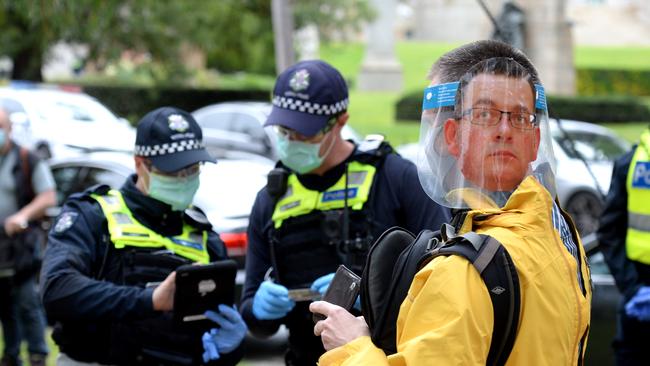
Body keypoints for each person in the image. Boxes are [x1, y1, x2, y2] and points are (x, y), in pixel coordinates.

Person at [310, 40, 592, 365]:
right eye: (486, 115)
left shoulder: (462, 271)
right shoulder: (558, 232)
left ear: (451, 136)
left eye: (516, 117)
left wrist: (352, 346)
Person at [239, 59, 450, 365]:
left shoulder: (395, 178)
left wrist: (374, 297)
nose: (292, 141)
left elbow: (443, 281)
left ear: (340, 121)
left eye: (305, 133)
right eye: (285, 131)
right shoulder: (270, 198)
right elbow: (254, 317)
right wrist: (258, 310)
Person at [40, 107, 247, 366]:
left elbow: (213, 341)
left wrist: (233, 347)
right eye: (173, 170)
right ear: (140, 163)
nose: (184, 179)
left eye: (192, 169)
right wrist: (150, 300)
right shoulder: (93, 215)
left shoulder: (204, 236)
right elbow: (58, 290)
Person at [0, 107, 56, 366]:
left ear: (9, 128)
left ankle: (37, 354)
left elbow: (48, 196)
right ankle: (11, 355)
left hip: (21, 244)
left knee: (26, 302)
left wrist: (22, 215)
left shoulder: (26, 158)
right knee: (5, 306)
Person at [597, 125, 650, 366]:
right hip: (639, 291)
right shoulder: (629, 164)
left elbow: (609, 232)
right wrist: (634, 289)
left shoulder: (632, 162)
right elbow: (609, 232)